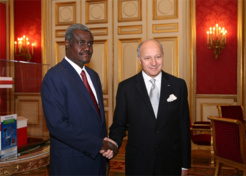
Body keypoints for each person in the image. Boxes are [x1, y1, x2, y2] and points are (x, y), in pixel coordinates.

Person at [41, 23, 118, 175]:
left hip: (96, 160)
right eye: (81, 43)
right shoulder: (54, 76)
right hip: (71, 164)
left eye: (90, 44)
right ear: (67, 43)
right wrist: (98, 145)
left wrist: (104, 158)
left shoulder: (93, 76)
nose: (87, 48)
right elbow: (57, 125)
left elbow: (98, 120)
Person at [109, 39, 191, 175]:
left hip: (171, 162)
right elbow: (119, 125)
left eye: (158, 57)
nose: (154, 63)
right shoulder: (126, 88)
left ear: (163, 56)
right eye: (147, 58)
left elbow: (183, 128)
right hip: (138, 163)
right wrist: (113, 143)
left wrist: (185, 165)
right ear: (139, 59)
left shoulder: (178, 86)